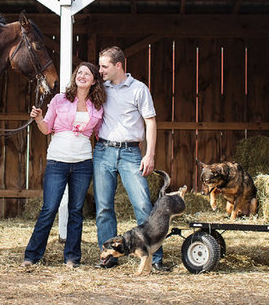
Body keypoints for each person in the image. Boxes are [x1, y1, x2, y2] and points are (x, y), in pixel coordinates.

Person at [22, 62, 106, 268]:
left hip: (83, 163)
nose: (82, 76)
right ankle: (32, 256)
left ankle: (72, 257)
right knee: (49, 208)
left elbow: (100, 133)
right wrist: (39, 118)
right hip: (58, 161)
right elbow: (46, 129)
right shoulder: (60, 99)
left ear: (94, 80)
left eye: (87, 74)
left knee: (76, 210)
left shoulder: (98, 106)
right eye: (79, 72)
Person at [93, 46, 169, 271]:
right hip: (103, 151)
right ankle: (108, 258)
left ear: (119, 66)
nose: (100, 70)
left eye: (104, 66)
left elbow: (150, 122)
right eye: (99, 66)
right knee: (104, 207)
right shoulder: (101, 88)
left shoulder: (139, 89)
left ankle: (154, 260)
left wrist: (150, 154)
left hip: (130, 153)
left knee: (143, 206)